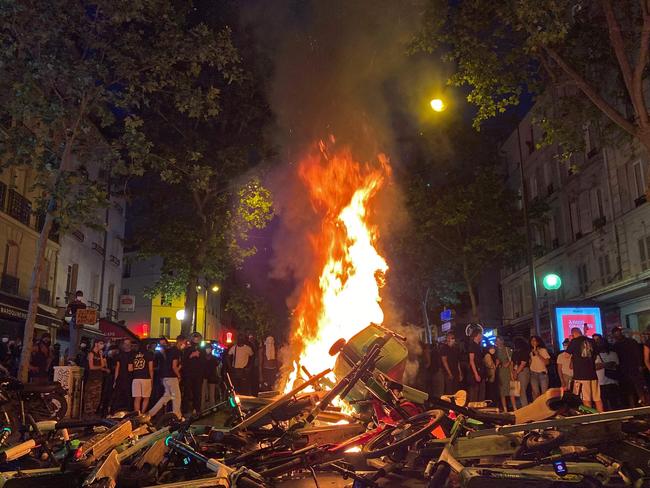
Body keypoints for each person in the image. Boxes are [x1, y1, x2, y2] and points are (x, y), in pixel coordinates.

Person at [148, 335, 185, 419]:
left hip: (165, 377)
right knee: (177, 397)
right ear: (181, 342)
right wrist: (179, 375)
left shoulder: (168, 351)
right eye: (184, 343)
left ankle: (151, 413)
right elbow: (173, 366)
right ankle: (177, 416)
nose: (185, 345)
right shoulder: (176, 351)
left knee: (167, 396)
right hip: (172, 376)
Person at [567, 327, 604, 412]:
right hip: (592, 374)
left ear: (573, 334)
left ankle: (591, 418)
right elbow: (595, 355)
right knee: (597, 398)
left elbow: (566, 355)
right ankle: (602, 416)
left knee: (586, 398)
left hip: (581, 375)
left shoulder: (574, 342)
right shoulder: (591, 341)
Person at [612, 326, 647, 407]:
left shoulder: (617, 345)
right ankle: (644, 406)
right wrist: (640, 365)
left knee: (630, 391)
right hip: (633, 368)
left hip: (626, 370)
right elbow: (638, 353)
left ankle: (634, 408)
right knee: (639, 389)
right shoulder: (631, 342)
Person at [593, 334, 620, 411]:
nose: (597, 342)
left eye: (598, 340)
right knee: (604, 405)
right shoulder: (594, 356)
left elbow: (614, 364)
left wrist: (601, 365)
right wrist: (606, 364)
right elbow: (594, 367)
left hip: (612, 382)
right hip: (600, 383)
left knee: (614, 404)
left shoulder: (613, 353)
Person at [182, 332, 205, 415]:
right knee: (187, 392)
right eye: (195, 338)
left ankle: (196, 408)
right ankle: (185, 409)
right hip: (189, 373)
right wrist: (191, 356)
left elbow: (203, 361)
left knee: (197, 392)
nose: (196, 339)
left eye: (198, 338)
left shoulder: (202, 349)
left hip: (198, 374)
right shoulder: (187, 349)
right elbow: (184, 361)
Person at [85, 340, 109, 415]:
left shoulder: (99, 354)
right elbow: (91, 366)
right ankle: (88, 413)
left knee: (97, 397)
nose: (102, 345)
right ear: (96, 344)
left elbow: (102, 365)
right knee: (90, 396)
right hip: (92, 378)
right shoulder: (91, 353)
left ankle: (93, 412)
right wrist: (101, 367)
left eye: (103, 344)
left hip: (99, 378)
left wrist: (101, 355)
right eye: (101, 343)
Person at [130, 341, 154, 413]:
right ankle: (142, 414)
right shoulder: (149, 354)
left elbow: (130, 368)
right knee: (146, 397)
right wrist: (152, 379)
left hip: (136, 378)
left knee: (137, 398)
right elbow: (151, 369)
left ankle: (136, 414)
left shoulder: (133, 355)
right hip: (146, 378)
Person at [112, 339, 134, 411]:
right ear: (123, 345)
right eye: (125, 343)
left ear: (131, 344)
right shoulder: (119, 355)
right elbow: (117, 368)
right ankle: (115, 412)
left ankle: (128, 411)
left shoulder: (134, 354)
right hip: (121, 378)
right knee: (117, 396)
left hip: (130, 379)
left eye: (128, 343)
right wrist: (115, 380)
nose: (127, 345)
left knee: (129, 396)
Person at [495, 337, 514, 412]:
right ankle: (505, 408)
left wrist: (509, 365)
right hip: (499, 372)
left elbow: (511, 360)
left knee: (511, 390)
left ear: (503, 341)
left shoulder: (507, 349)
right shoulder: (495, 351)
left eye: (500, 340)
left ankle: (514, 407)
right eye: (497, 341)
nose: (498, 342)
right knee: (502, 391)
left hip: (507, 372)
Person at [511, 337, 531, 407]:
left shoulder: (524, 351)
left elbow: (523, 363)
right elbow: (513, 363)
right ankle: (517, 407)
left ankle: (525, 407)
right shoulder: (515, 352)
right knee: (514, 391)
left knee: (522, 391)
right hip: (516, 371)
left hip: (523, 371)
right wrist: (513, 372)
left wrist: (515, 372)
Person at [467, 330, 485, 402]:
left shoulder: (479, 346)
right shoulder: (472, 346)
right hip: (475, 372)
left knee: (481, 393)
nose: (482, 336)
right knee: (474, 393)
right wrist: (476, 374)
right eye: (480, 335)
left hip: (481, 371)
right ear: (477, 335)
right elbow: (471, 360)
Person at [203, 344, 219, 409]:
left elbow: (217, 368)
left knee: (211, 394)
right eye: (207, 348)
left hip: (212, 376)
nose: (208, 349)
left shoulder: (215, 358)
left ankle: (212, 407)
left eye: (209, 348)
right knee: (203, 393)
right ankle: (202, 408)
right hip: (204, 376)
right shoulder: (202, 358)